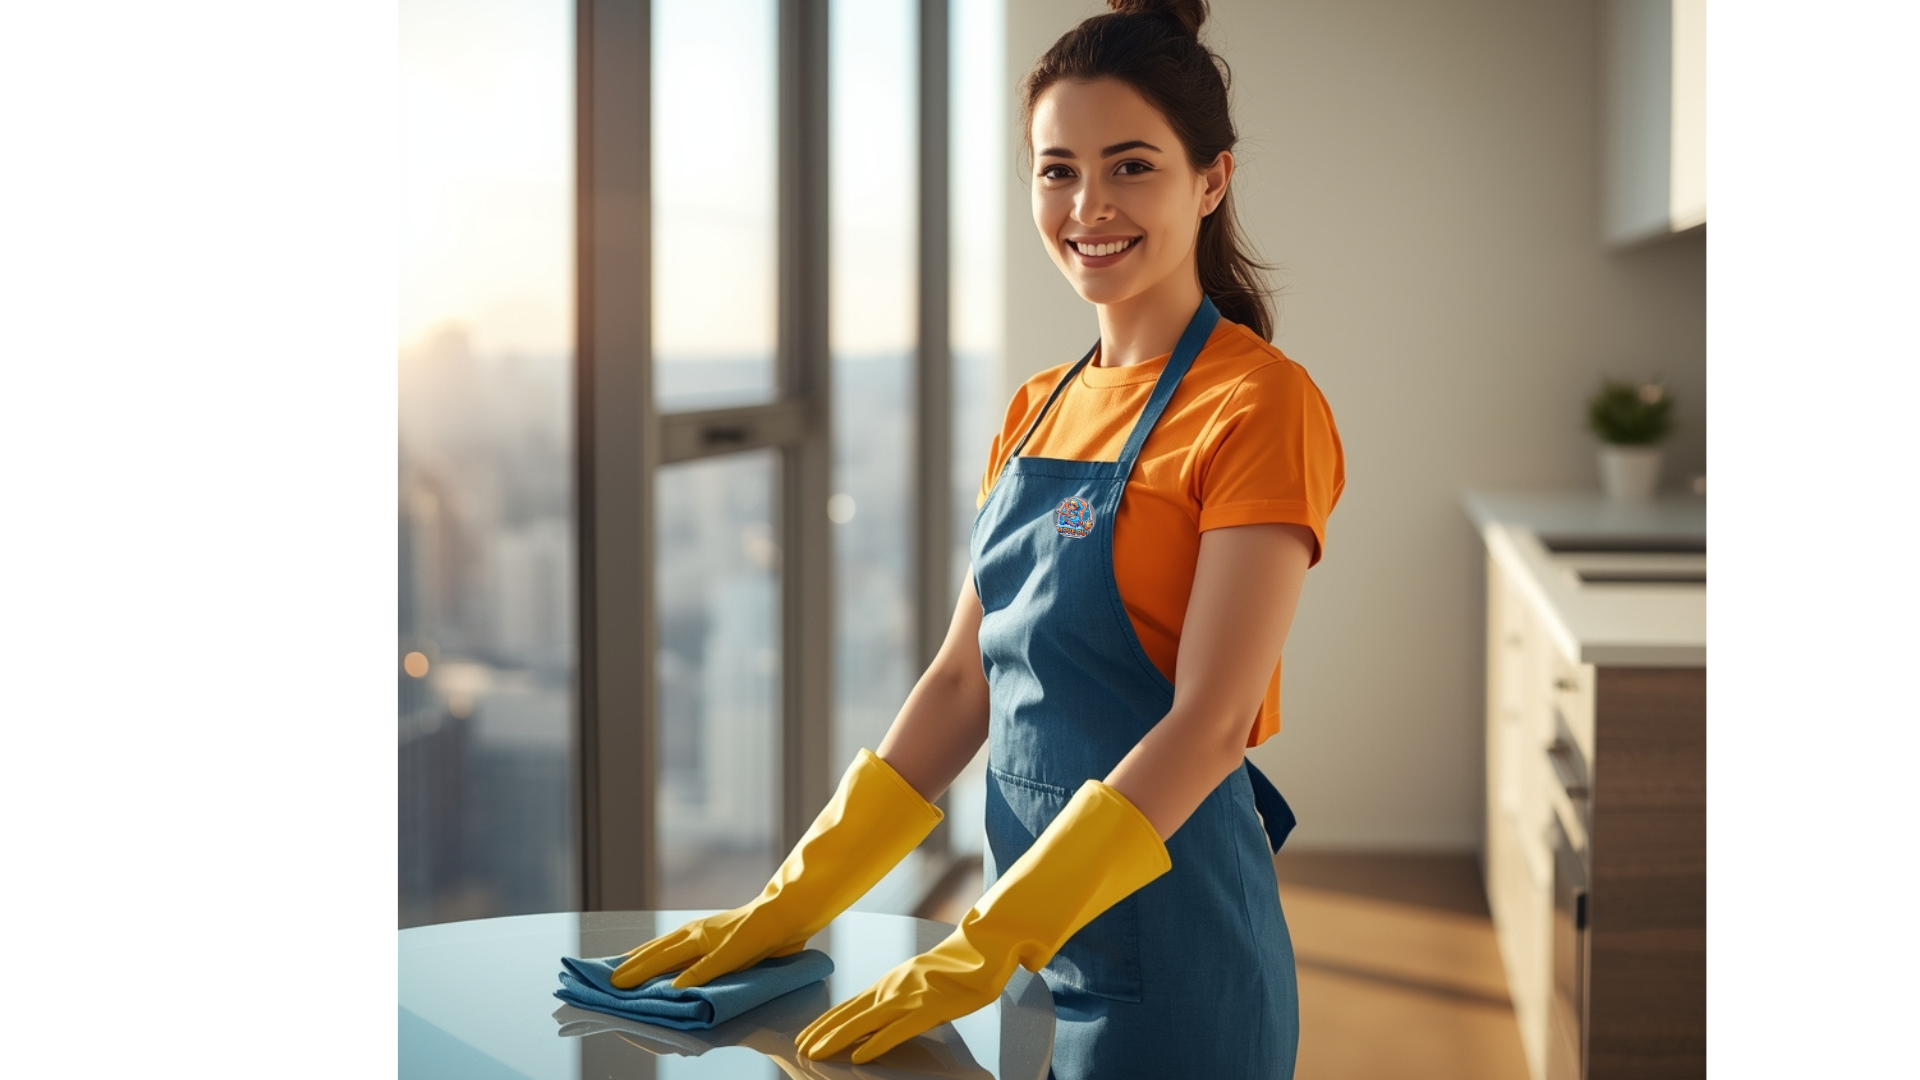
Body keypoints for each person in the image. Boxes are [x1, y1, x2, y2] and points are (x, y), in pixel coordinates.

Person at [612, 2, 1344, 1076]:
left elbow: (1213, 722)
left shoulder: (1257, 404)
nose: (1089, 206)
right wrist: (793, 900)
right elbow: (964, 682)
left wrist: (986, 942)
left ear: (1211, 180)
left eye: (1131, 166)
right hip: (1035, 941)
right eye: (1058, 170)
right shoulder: (1037, 406)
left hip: (1176, 949)